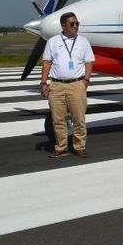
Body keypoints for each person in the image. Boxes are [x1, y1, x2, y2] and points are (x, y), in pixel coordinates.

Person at [40, 12, 95, 158]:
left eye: (77, 23)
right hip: (57, 85)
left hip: (77, 84)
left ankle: (79, 146)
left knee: (79, 118)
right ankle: (61, 146)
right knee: (58, 119)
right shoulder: (52, 41)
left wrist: (86, 81)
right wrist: (44, 82)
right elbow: (46, 62)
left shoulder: (83, 42)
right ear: (63, 25)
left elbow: (89, 62)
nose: (75, 26)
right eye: (72, 24)